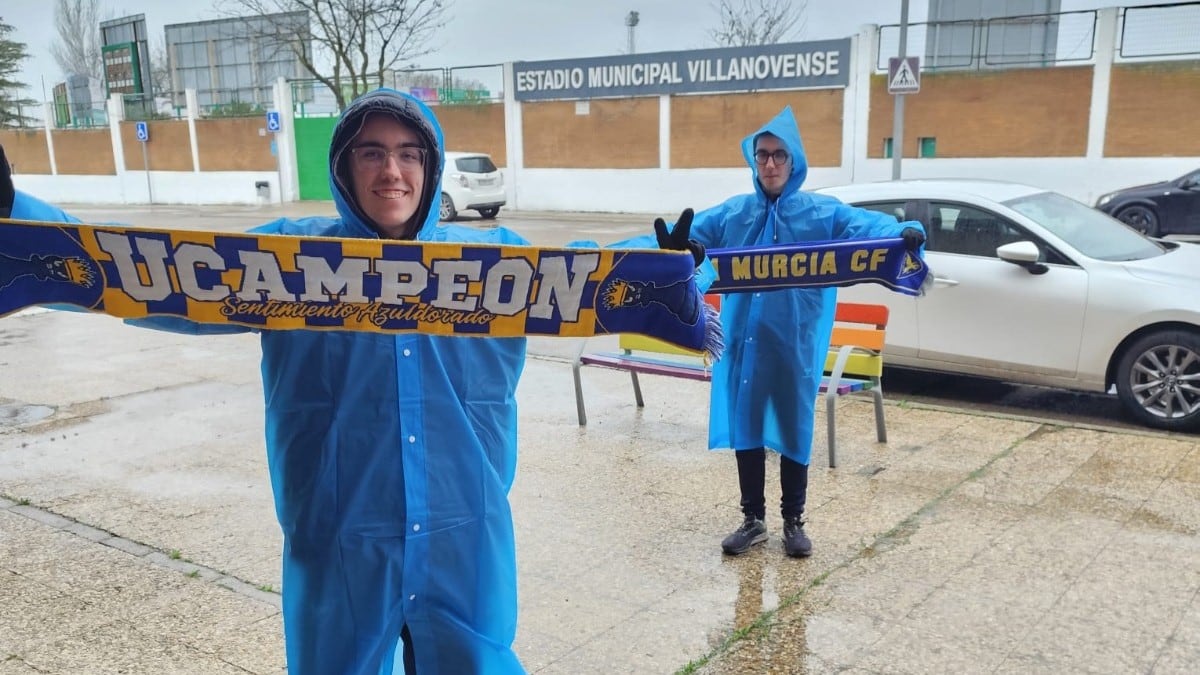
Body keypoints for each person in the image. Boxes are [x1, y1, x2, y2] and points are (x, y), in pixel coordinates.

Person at [1, 89, 531, 674]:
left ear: (430, 167)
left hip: (466, 539)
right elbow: (144, 275)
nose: (392, 172)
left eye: (410, 154)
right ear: (343, 167)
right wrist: (16, 216)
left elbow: (610, 276)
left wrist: (655, 255)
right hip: (340, 540)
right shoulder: (288, 259)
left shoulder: (498, 265)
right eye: (371, 154)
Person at [654, 106, 925, 558]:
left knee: (794, 425)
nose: (771, 164)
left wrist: (902, 231)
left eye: (779, 155)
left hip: (794, 344)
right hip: (743, 343)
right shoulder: (734, 215)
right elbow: (686, 238)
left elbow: (865, 227)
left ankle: (793, 520)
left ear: (794, 160)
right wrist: (661, 251)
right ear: (753, 160)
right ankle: (752, 518)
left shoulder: (820, 213)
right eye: (762, 156)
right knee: (748, 425)